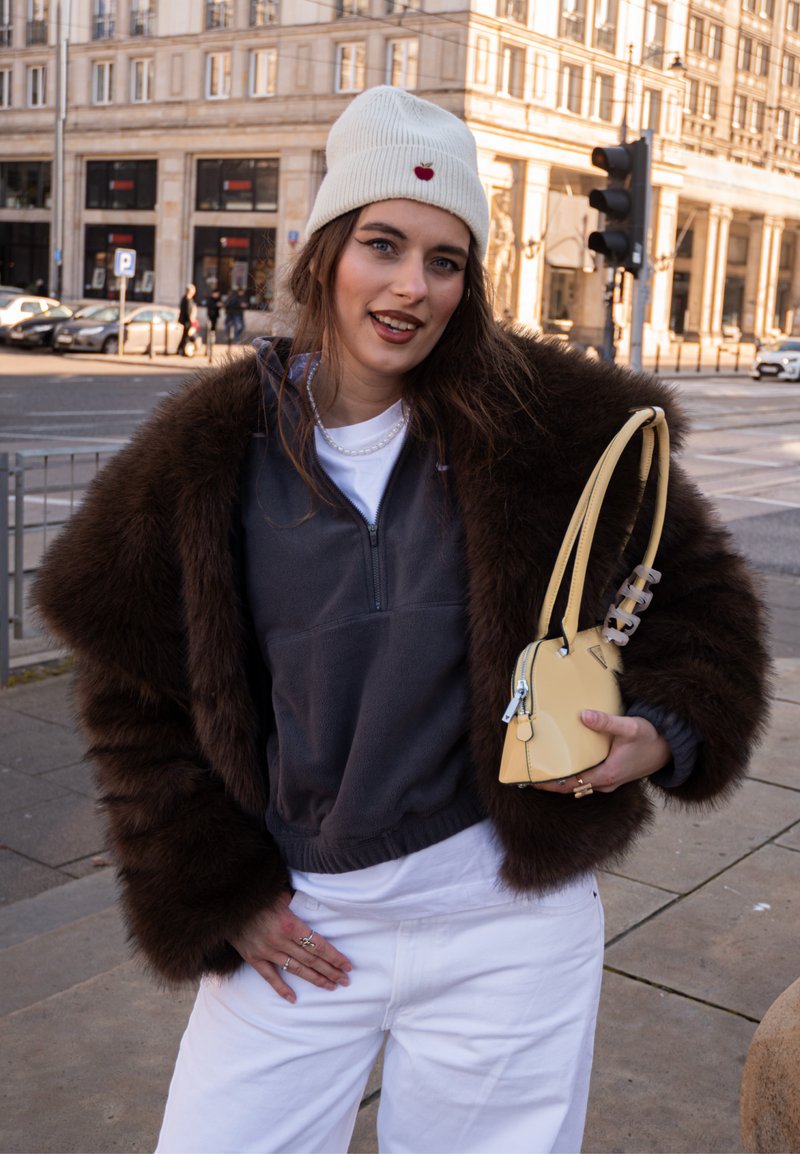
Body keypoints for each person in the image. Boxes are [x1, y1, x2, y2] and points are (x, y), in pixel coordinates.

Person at [34, 87, 769, 1154]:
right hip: (303, 922)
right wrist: (210, 889)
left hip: (507, 921)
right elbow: (132, 702)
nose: (409, 287)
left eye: (444, 259)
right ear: (326, 249)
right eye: (382, 244)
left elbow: (703, 600)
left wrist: (662, 728)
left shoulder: (551, 427)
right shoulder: (204, 459)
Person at [177, 283, 197, 356]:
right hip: (186, 321)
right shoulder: (186, 299)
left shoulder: (188, 299)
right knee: (186, 336)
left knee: (185, 336)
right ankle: (183, 350)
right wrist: (191, 321)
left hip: (187, 321)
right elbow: (187, 312)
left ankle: (181, 349)